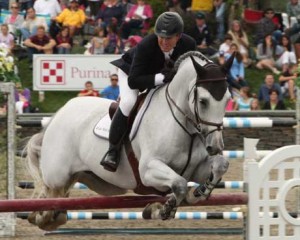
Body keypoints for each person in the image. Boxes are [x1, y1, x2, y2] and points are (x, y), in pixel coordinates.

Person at [100, 11, 196, 172]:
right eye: (161, 37)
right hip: (130, 73)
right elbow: (134, 81)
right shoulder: (146, 45)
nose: (164, 42)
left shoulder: (189, 44)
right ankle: (112, 151)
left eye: (169, 38)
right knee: (129, 102)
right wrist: (160, 78)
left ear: (178, 36)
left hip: (161, 75)